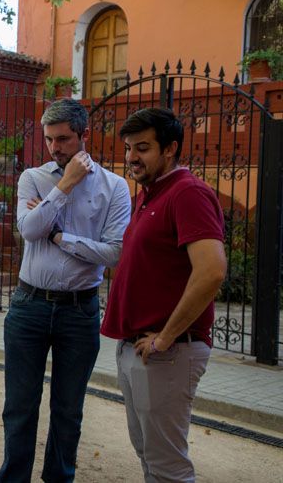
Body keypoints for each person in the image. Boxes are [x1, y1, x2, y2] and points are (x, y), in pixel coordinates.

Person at [0, 98, 131, 483]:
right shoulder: (32, 178)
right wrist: (65, 185)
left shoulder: (114, 187)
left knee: (68, 410)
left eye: (64, 139)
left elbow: (114, 253)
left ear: (84, 136)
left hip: (79, 310)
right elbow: (28, 230)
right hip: (29, 306)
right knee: (20, 406)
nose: (55, 147)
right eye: (49, 139)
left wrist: (58, 234)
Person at [101, 108, 227, 483]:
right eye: (128, 148)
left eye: (143, 148)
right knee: (150, 458)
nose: (132, 158)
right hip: (140, 348)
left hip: (168, 352)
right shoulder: (150, 194)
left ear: (170, 149)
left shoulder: (187, 193)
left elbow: (212, 271)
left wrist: (165, 338)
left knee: (167, 468)